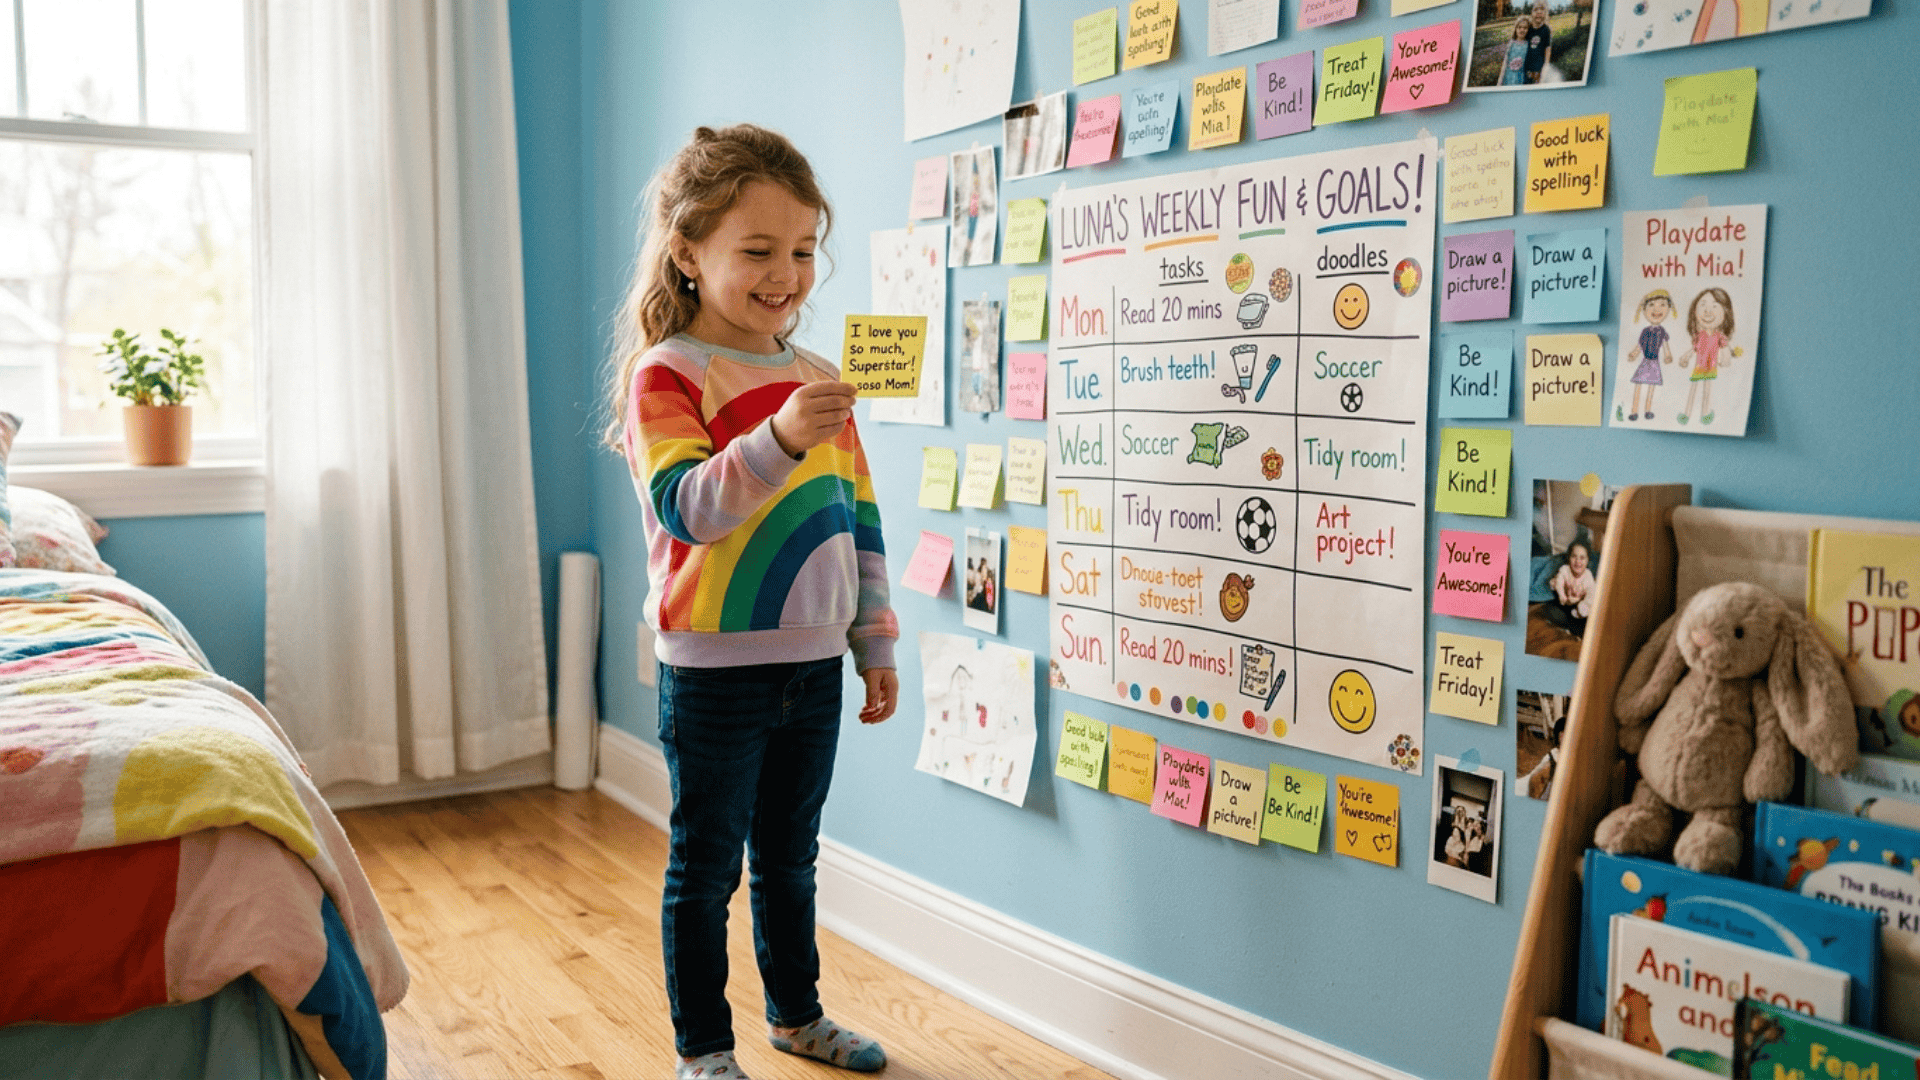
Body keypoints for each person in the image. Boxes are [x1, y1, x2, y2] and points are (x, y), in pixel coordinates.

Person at [605, 123, 898, 1080]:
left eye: (805, 250)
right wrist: (775, 436)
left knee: (791, 860)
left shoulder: (817, 379)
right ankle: (704, 1050)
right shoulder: (668, 374)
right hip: (715, 672)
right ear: (689, 253)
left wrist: (876, 640)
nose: (788, 275)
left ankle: (797, 1016)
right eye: (759, 251)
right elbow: (689, 510)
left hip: (812, 665)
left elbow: (855, 515)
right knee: (705, 871)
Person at [1677, 287, 1736, 426]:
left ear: (1725, 314)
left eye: (1715, 306)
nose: (1708, 311)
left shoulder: (1719, 336)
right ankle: (1686, 414)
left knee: (1707, 391)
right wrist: (1686, 357)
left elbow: (1726, 348)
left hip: (1711, 367)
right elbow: (1694, 349)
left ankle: (1705, 414)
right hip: (1699, 366)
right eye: (1702, 305)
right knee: (1693, 390)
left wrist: (1729, 355)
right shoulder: (1700, 336)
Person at [1625, 289, 1674, 421]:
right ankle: (1634, 411)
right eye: (1651, 305)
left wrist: (1668, 355)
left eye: (1662, 305)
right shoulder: (1645, 331)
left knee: (1651, 386)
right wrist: (1634, 354)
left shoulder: (1662, 331)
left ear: (1669, 308)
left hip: (1654, 362)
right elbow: (1640, 345)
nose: (1656, 309)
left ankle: (1647, 410)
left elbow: (1665, 345)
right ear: (1644, 309)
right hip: (1645, 361)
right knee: (1638, 384)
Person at [1550, 540, 1596, 635]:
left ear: (1587, 561)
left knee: (1586, 622)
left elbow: (1591, 595)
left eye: (1582, 558)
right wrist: (1562, 596)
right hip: (1564, 602)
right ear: (1569, 558)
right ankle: (1566, 627)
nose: (1578, 561)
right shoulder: (1565, 569)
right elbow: (1559, 583)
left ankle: (1575, 624)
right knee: (1551, 611)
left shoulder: (1588, 576)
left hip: (1579, 604)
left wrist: (1580, 604)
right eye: (1574, 556)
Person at [1522, 0, 1554, 84]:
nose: (1539, 12)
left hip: (1539, 67)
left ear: (1545, 13)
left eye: (1542, 10)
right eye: (1536, 10)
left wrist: (1546, 65)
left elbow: (1548, 48)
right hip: (1526, 66)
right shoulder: (1528, 28)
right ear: (1531, 13)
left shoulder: (1546, 30)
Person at [1500, 19, 1531, 86]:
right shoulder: (1511, 44)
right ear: (1516, 29)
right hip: (1508, 77)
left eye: (1525, 28)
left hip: (1521, 79)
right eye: (1519, 27)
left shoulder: (1528, 44)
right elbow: (1505, 62)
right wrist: (1499, 81)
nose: (1522, 30)